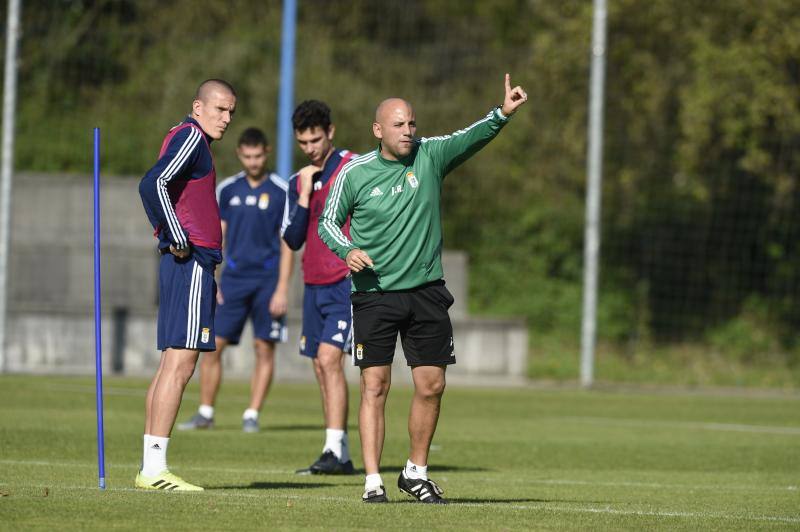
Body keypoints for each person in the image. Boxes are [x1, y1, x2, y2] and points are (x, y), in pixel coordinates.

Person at [318, 74, 528, 503]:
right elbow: (326, 223)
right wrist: (348, 250)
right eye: (398, 125)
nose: (408, 131)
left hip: (427, 292)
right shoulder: (354, 173)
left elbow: (470, 138)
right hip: (374, 294)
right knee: (375, 385)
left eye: (411, 123)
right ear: (378, 130)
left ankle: (415, 472)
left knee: (431, 385)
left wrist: (501, 114)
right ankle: (373, 480)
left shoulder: (430, 155)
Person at [136, 79, 237, 491]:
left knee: (170, 364)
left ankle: (150, 467)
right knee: (181, 363)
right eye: (220, 110)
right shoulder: (192, 137)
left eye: (231, 111)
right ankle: (155, 469)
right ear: (198, 106)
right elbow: (153, 183)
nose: (227, 119)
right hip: (190, 259)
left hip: (195, 265)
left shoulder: (188, 137)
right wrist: (176, 237)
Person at [177, 127, 293, 433]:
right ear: (240, 154)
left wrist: (283, 288)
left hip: (268, 281)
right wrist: (211, 279)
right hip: (234, 279)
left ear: (266, 153)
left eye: (258, 156)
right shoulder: (227, 189)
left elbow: (287, 243)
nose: (253, 161)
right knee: (213, 345)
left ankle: (252, 414)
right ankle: (205, 411)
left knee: (263, 348)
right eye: (247, 156)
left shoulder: (281, 190)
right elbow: (218, 237)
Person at [281, 100, 357, 474]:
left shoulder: (354, 168)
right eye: (303, 142)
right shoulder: (298, 181)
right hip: (312, 284)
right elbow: (293, 238)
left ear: (331, 132)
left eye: (315, 139)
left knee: (330, 360)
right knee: (319, 366)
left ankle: (332, 450)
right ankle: (339, 454)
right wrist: (303, 196)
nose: (310, 148)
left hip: (346, 282)